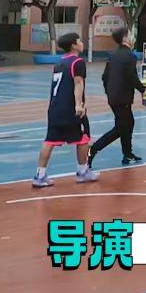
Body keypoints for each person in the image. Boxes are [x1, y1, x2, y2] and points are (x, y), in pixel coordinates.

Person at [32, 33, 99, 187]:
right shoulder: (78, 62)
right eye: (80, 41)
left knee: (50, 140)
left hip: (55, 107)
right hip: (70, 107)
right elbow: (78, 83)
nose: (82, 43)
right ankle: (82, 172)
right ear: (74, 45)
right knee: (83, 138)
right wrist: (78, 105)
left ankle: (39, 175)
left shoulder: (59, 62)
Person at [88, 27, 146, 167]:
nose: (133, 37)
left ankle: (127, 154)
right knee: (121, 128)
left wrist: (108, 92)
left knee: (128, 123)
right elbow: (132, 77)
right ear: (125, 38)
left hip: (114, 97)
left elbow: (105, 76)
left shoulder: (113, 55)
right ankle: (93, 150)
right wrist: (143, 89)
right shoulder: (130, 56)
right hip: (122, 98)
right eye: (131, 34)